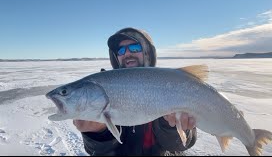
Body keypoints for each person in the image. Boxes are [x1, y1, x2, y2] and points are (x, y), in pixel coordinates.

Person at [73, 27, 197, 156]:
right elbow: (98, 151)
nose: (127, 53)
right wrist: (97, 133)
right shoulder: (103, 90)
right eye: (121, 50)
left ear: (147, 52)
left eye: (134, 47)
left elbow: (179, 146)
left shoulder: (169, 84)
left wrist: (172, 126)